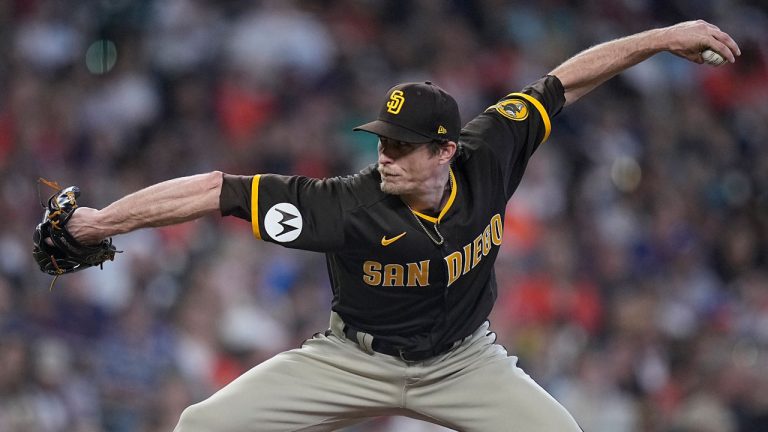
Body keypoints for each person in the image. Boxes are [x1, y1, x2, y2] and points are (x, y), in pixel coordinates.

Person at [67, 20, 739, 432]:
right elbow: (219, 191)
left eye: (400, 145)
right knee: (202, 426)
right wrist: (102, 222)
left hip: (462, 362)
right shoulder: (348, 204)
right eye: (381, 140)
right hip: (352, 360)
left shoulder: (492, 151)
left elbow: (563, 82)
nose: (383, 154)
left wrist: (662, 38)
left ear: (445, 149)